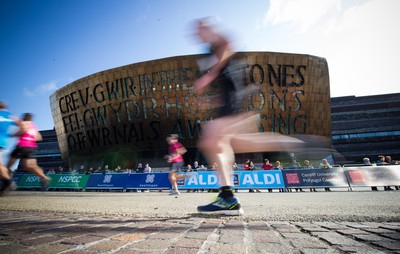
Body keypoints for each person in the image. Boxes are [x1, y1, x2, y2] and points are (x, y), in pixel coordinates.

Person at [6, 113, 50, 190]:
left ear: (25, 117)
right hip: (31, 147)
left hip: (22, 146)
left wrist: (13, 135)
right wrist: (30, 138)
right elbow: (39, 137)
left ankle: (7, 182)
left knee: (8, 165)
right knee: (29, 166)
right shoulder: (33, 126)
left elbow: (22, 129)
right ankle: (44, 177)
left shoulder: (23, 122)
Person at [0, 102, 17, 194]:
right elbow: (22, 126)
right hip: (4, 143)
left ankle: (7, 181)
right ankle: (5, 183)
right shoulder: (10, 116)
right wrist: (14, 134)